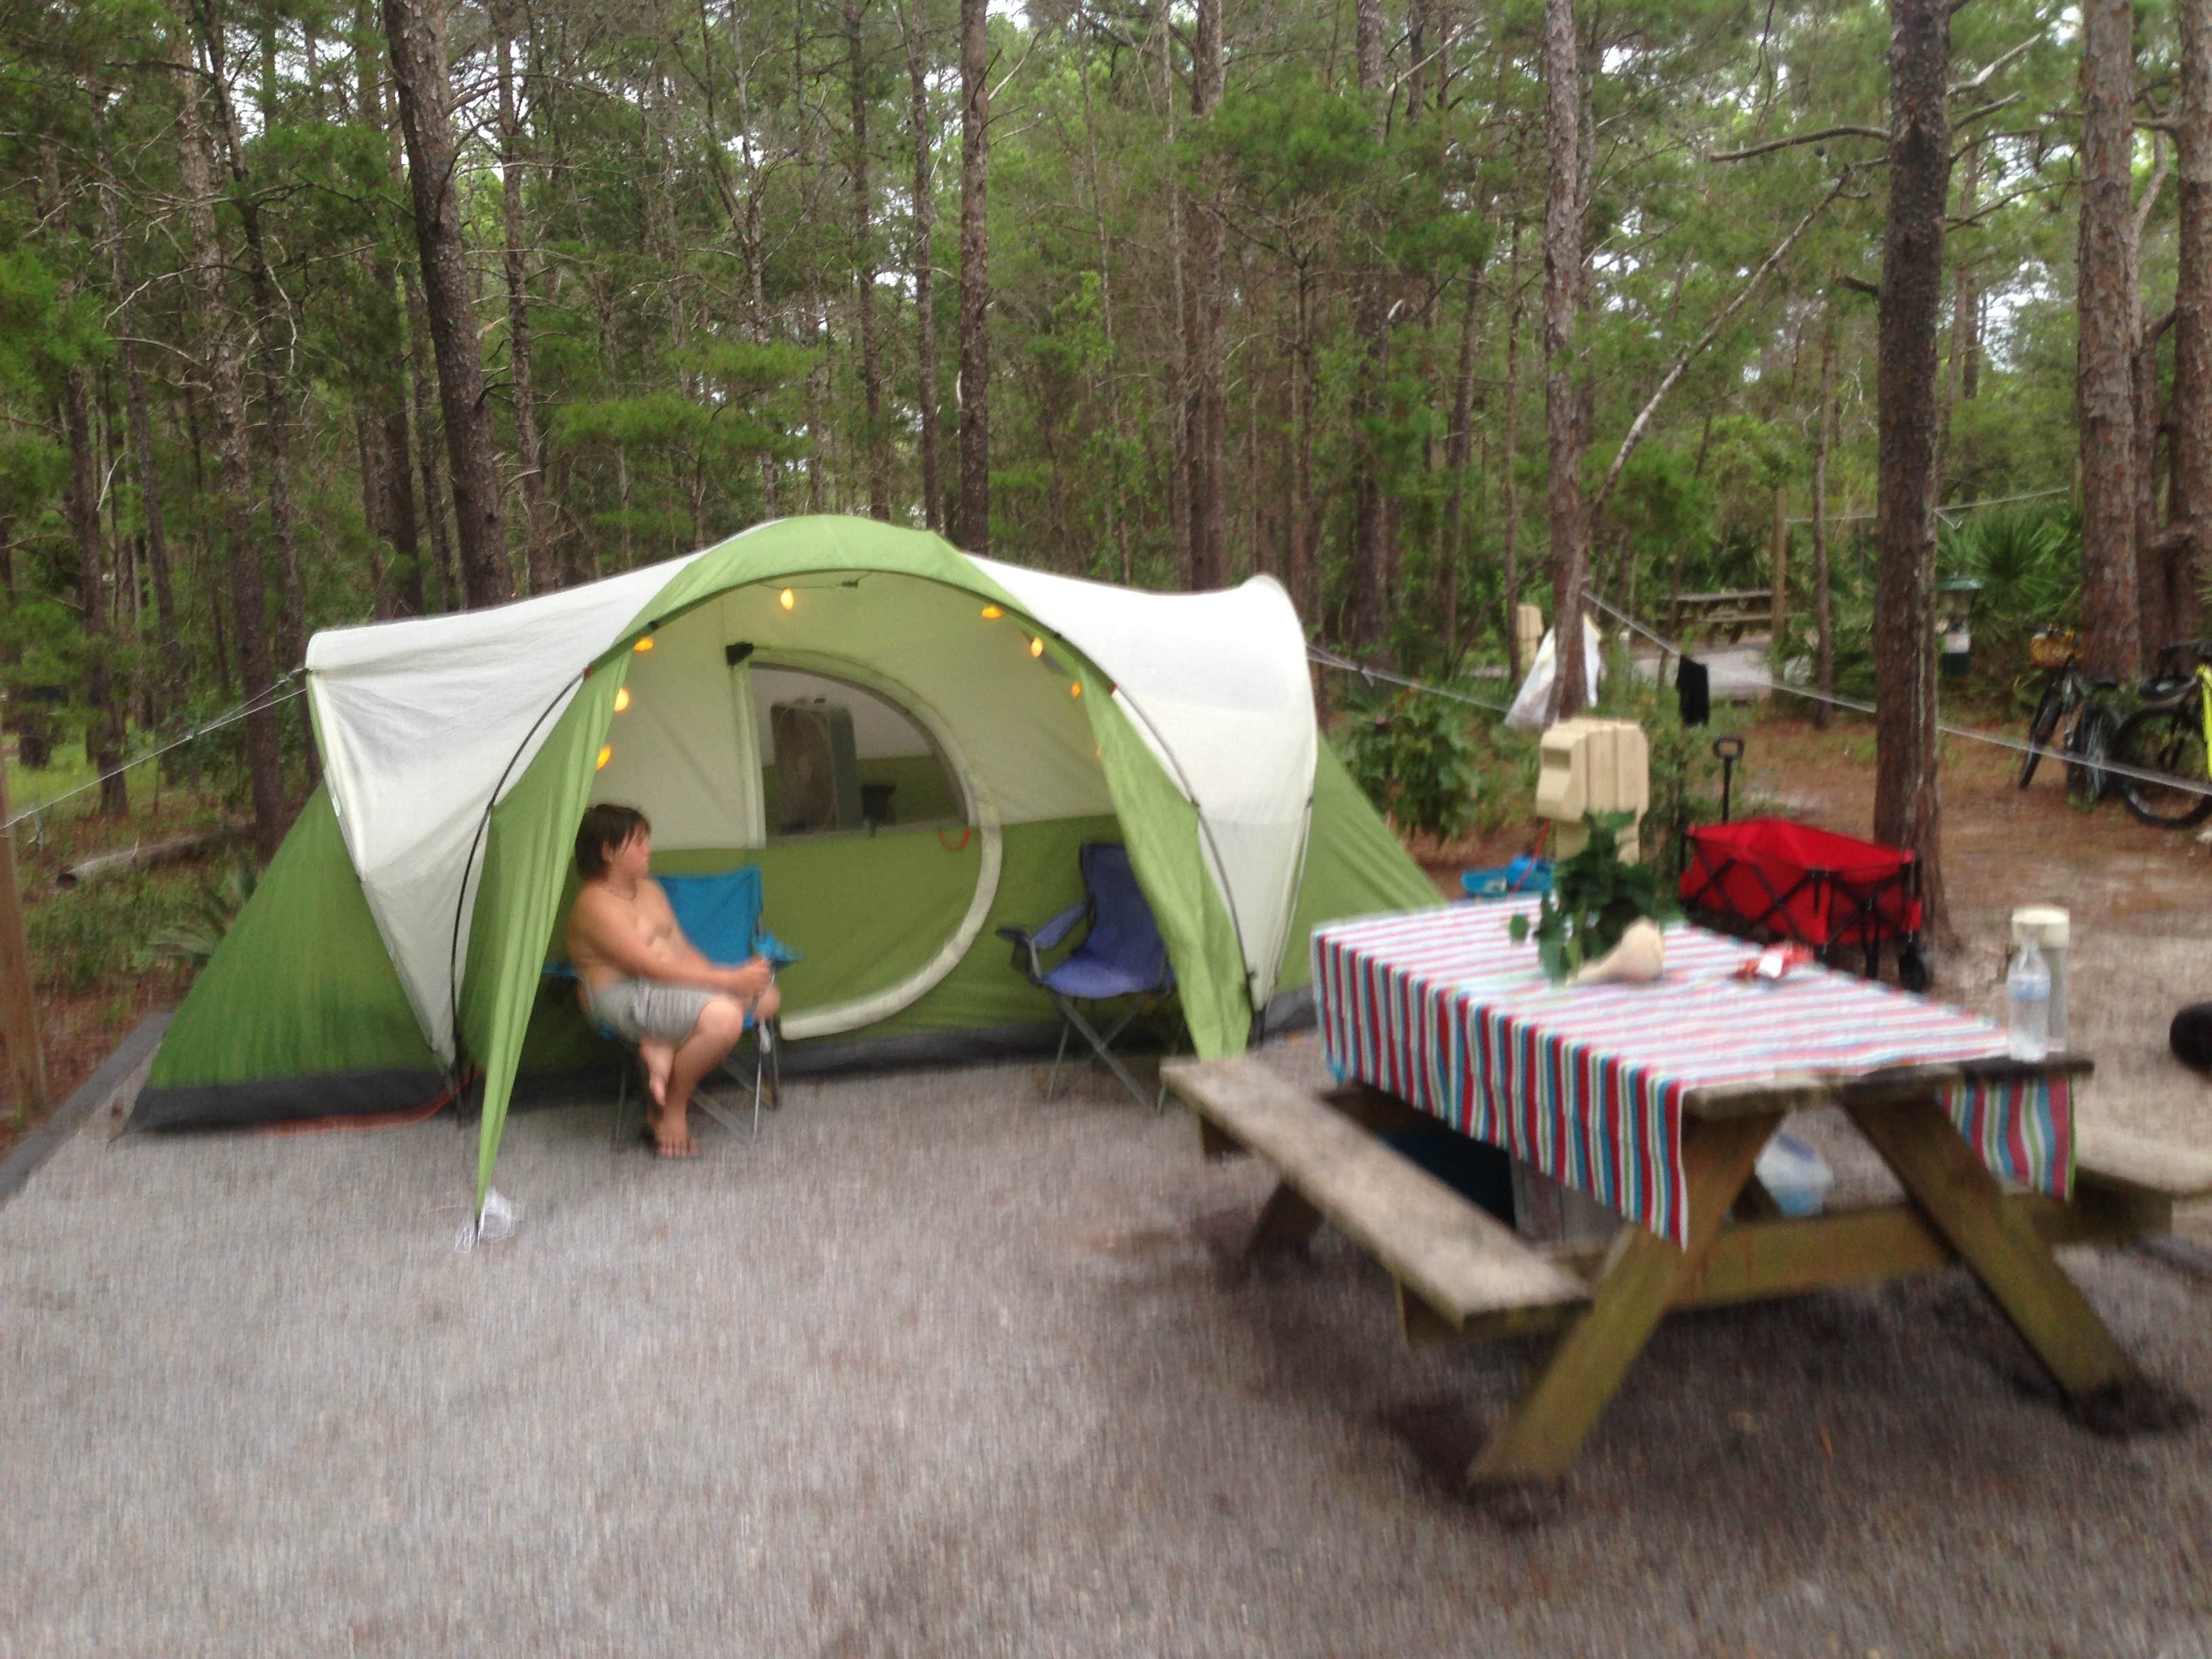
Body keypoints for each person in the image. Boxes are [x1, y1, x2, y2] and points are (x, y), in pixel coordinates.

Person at [564, 804, 780, 1158]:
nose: (648, 850)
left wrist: (725, 985)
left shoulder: (648, 891)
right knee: (724, 1018)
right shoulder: (595, 906)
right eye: (639, 842)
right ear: (608, 851)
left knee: (767, 998)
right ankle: (672, 1110)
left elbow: (682, 951)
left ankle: (662, 1045)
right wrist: (727, 978)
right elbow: (649, 967)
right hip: (623, 997)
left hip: (665, 995)